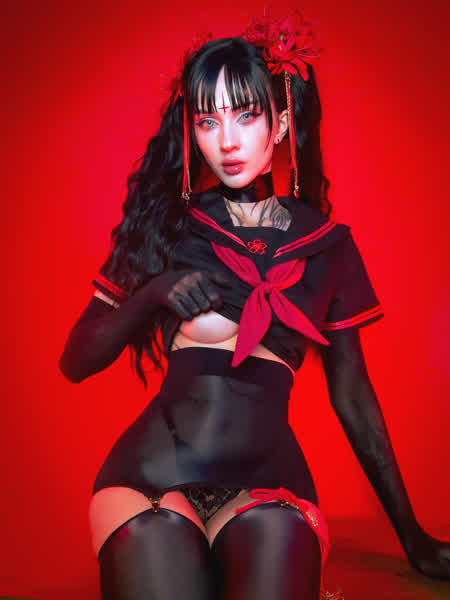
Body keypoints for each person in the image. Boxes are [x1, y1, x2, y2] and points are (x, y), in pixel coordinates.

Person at [59, 10, 450, 600]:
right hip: (150, 483)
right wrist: (153, 295)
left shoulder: (328, 246)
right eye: (207, 121)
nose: (227, 141)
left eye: (246, 115)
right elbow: (75, 361)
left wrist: (413, 538)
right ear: (192, 131)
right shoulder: (166, 225)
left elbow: (354, 398)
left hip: (269, 487)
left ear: (281, 122)